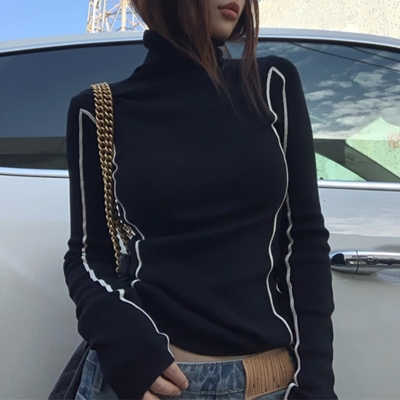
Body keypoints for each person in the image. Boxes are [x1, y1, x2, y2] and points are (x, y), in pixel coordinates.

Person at [63, 0, 337, 399]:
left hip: (265, 382)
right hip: (147, 381)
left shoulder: (272, 83)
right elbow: (88, 255)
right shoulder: (98, 109)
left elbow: (304, 238)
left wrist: (316, 383)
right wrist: (123, 339)